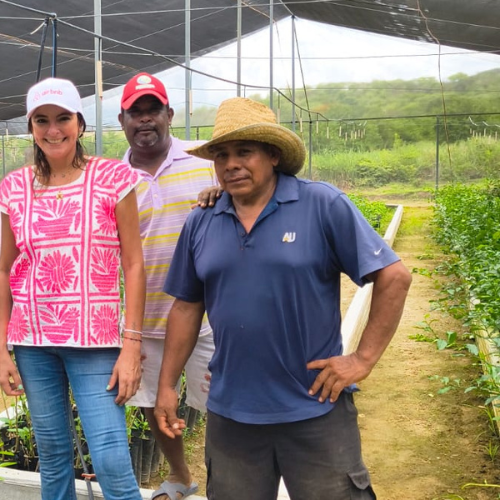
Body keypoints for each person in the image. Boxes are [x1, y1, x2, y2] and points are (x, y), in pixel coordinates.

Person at [155, 97, 412, 500]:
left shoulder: (321, 204)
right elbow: (187, 307)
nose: (231, 164)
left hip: (314, 408)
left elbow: (394, 277)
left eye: (245, 152)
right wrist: (167, 386)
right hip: (232, 412)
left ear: (273, 155)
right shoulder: (202, 219)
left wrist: (361, 360)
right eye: (221, 156)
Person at [0, 77, 146, 500]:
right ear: (31, 127)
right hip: (32, 341)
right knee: (53, 452)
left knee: (112, 455)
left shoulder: (113, 178)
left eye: (63, 118)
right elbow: (4, 270)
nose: (53, 129)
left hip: (95, 341)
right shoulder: (14, 188)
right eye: (42, 120)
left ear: (80, 123)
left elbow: (133, 264)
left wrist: (131, 345)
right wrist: (2, 347)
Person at [117, 72, 216, 500]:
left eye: (152, 110)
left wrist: (219, 191)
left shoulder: (206, 166)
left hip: (209, 319)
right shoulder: (112, 179)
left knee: (221, 407)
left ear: (169, 115)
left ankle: (229, 481)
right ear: (121, 120)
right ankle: (180, 477)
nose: (144, 120)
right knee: (157, 408)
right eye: (134, 112)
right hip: (143, 320)